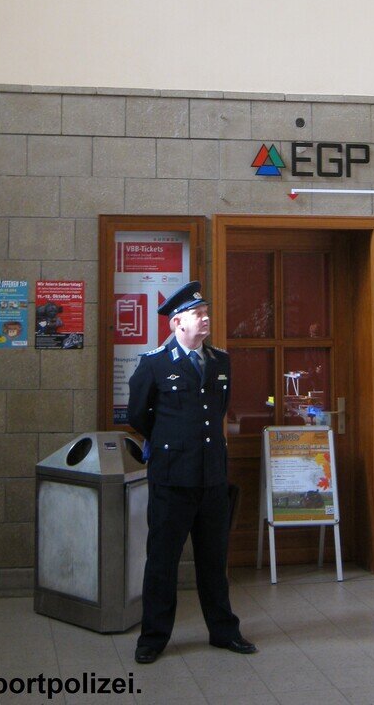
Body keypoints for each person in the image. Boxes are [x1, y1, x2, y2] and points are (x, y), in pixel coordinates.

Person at [127, 281, 257, 664]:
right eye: (197, 314)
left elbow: (218, 410)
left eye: (206, 313)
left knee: (214, 561)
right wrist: (171, 441)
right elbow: (138, 415)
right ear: (176, 323)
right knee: (162, 562)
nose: (205, 319)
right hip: (171, 479)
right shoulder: (154, 364)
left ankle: (224, 631)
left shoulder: (219, 362)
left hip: (211, 478)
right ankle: (153, 638)